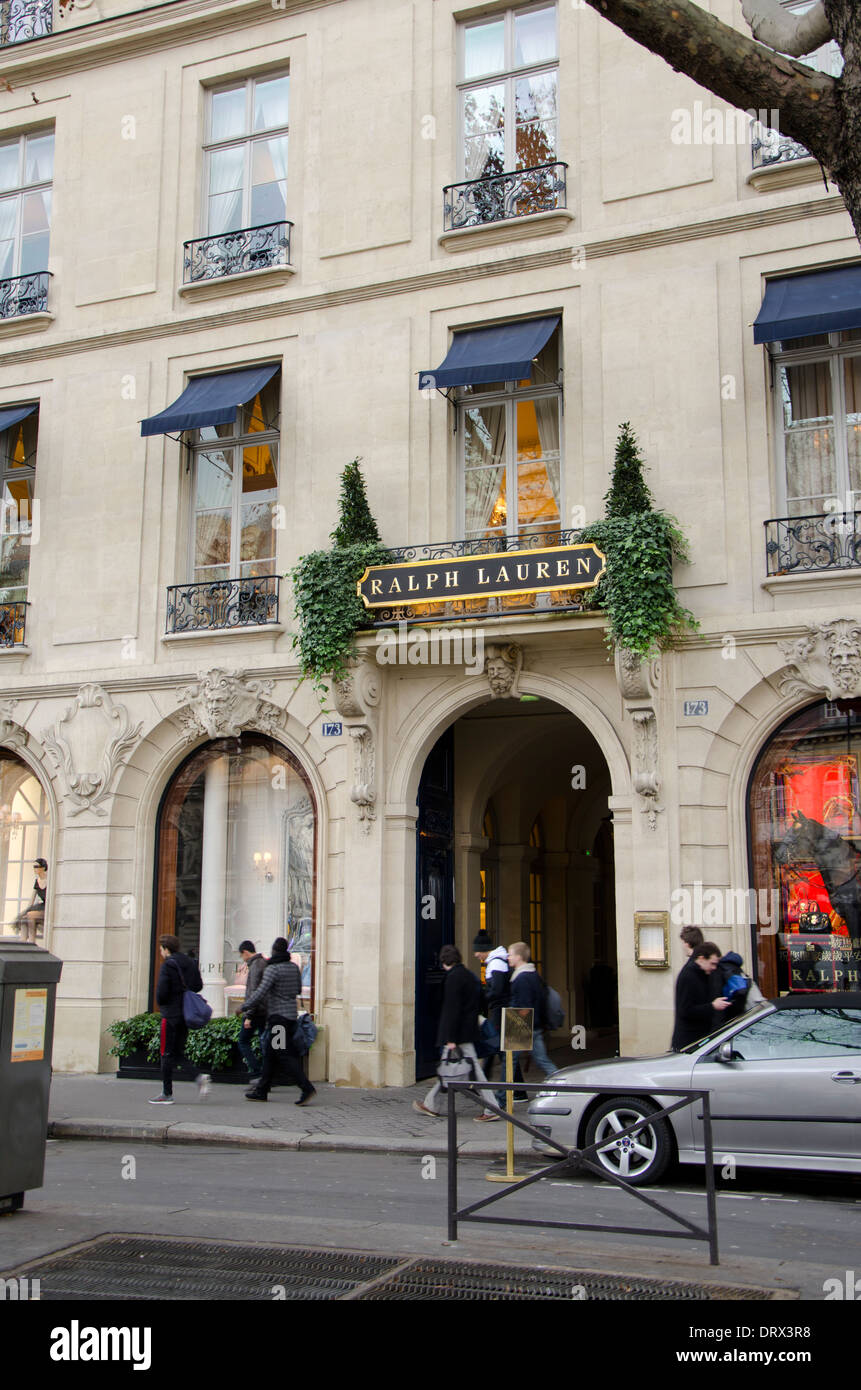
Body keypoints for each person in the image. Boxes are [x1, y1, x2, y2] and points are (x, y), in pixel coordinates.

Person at [413, 943, 499, 1122]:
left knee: (469, 1071)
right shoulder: (469, 975)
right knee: (448, 1070)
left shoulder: (453, 978)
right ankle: (431, 1104)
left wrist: (451, 1038)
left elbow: (452, 1009)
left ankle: (492, 1109)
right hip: (468, 1030)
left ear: (444, 961)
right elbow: (482, 999)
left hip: (458, 1035)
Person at [243, 937, 315, 1106]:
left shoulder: (272, 969)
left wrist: (245, 1006)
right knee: (270, 1053)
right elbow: (297, 989)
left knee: (283, 1054)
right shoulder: (293, 968)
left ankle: (306, 1087)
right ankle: (262, 1090)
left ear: (274, 951)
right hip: (290, 1017)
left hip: (278, 1019)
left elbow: (260, 992)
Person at [149, 934, 210, 1105]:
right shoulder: (189, 962)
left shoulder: (168, 965)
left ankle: (166, 1093)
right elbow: (198, 986)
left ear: (166, 949)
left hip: (171, 1015)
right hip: (186, 1014)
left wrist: (164, 1002)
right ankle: (198, 1077)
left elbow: (161, 993)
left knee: (166, 1053)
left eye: (161, 949)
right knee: (177, 1052)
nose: (161, 953)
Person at [495, 941, 557, 1106]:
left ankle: (500, 1100)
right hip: (533, 1024)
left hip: (521, 1024)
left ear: (519, 956)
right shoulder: (533, 974)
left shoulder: (522, 978)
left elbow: (523, 1005)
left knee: (509, 1062)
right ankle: (565, 1085)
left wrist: (516, 1029)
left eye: (510, 954)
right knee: (542, 1060)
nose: (508, 957)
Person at [472, 929, 525, 1091]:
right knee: (502, 1050)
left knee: (494, 1045)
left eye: (477, 951)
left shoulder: (495, 963)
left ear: (484, 950)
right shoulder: (497, 961)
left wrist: (483, 998)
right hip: (502, 1010)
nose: (475, 955)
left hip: (500, 1011)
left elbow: (497, 990)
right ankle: (518, 1089)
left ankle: (484, 1080)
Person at [670, 940, 732, 1051]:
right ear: (701, 958)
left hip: (700, 1040)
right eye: (712, 964)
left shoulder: (703, 974)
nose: (714, 968)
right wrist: (712, 1006)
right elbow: (685, 1010)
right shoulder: (688, 976)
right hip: (688, 1043)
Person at [236, 939, 267, 1079]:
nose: (242, 958)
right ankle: (266, 1076)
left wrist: (248, 1015)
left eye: (241, 955)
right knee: (264, 1043)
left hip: (256, 1011)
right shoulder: (262, 963)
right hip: (263, 1010)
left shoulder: (255, 965)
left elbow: (253, 991)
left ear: (246, 952)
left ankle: (257, 1072)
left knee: (243, 1041)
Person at [18, 858, 48, 943]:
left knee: (30, 915)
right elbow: (32, 898)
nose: (35, 869)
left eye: (36, 866)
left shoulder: (49, 880)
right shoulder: (37, 881)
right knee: (24, 918)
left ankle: (32, 941)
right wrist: (27, 910)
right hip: (41, 907)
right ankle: (23, 940)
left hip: (47, 907)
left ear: (43, 867)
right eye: (34, 867)